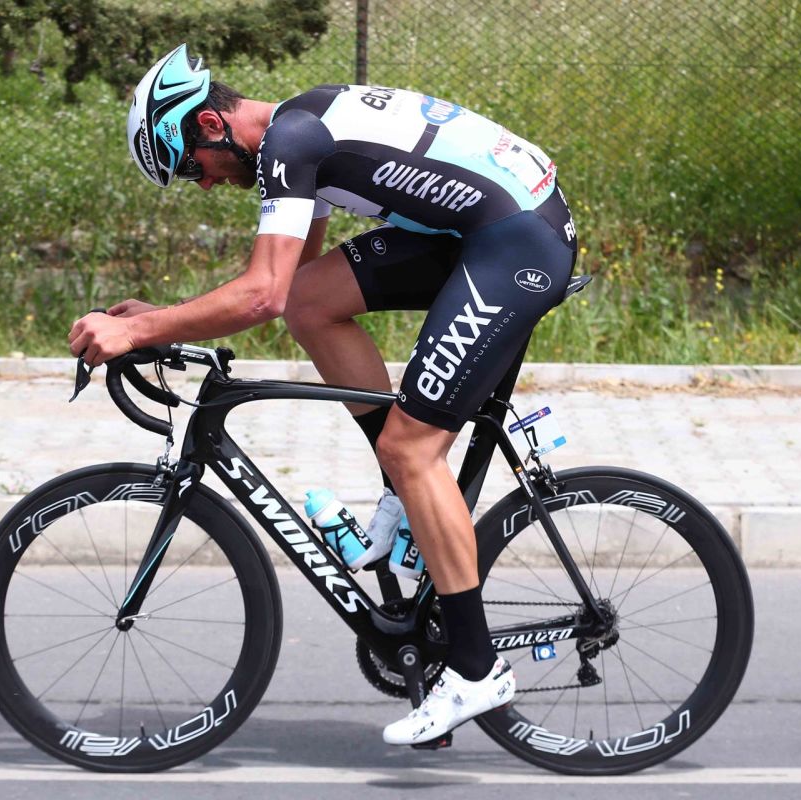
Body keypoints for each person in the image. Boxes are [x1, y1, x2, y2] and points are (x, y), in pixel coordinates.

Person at [67, 44, 578, 746]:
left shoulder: (292, 140)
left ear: (211, 124)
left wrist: (139, 330)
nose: (204, 185)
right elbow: (290, 286)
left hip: (516, 243)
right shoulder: (297, 130)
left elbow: (260, 294)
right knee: (314, 304)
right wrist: (164, 318)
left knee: (413, 449)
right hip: (489, 229)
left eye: (190, 166)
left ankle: (475, 669)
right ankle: (404, 494)